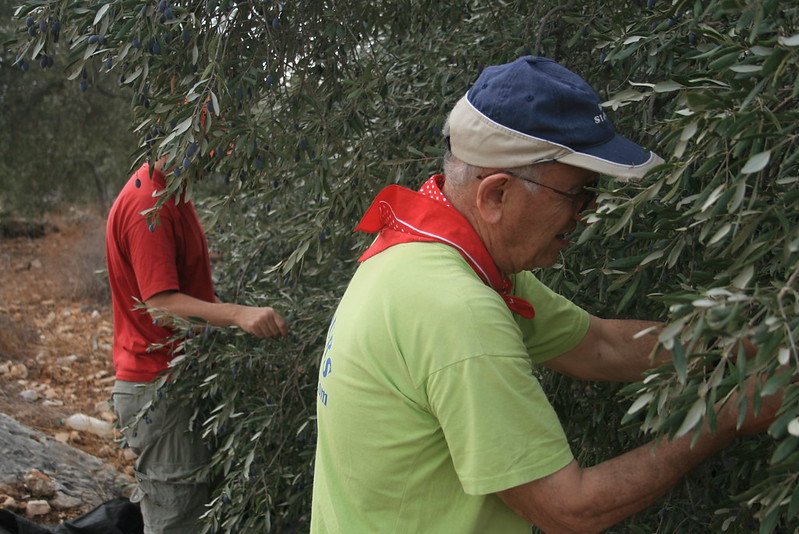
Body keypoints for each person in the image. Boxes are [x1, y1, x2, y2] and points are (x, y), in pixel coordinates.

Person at [310, 56, 781, 533]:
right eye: (579, 193)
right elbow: (568, 508)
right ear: (495, 196)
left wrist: (744, 348)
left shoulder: (437, 258)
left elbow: (600, 345)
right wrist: (728, 416)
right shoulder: (457, 309)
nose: (587, 214)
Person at [106, 157, 288, 533]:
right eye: (218, 131)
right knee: (178, 523)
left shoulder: (172, 191)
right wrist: (238, 314)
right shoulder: (149, 204)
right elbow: (160, 305)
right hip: (160, 388)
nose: (229, 148)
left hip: (177, 382)